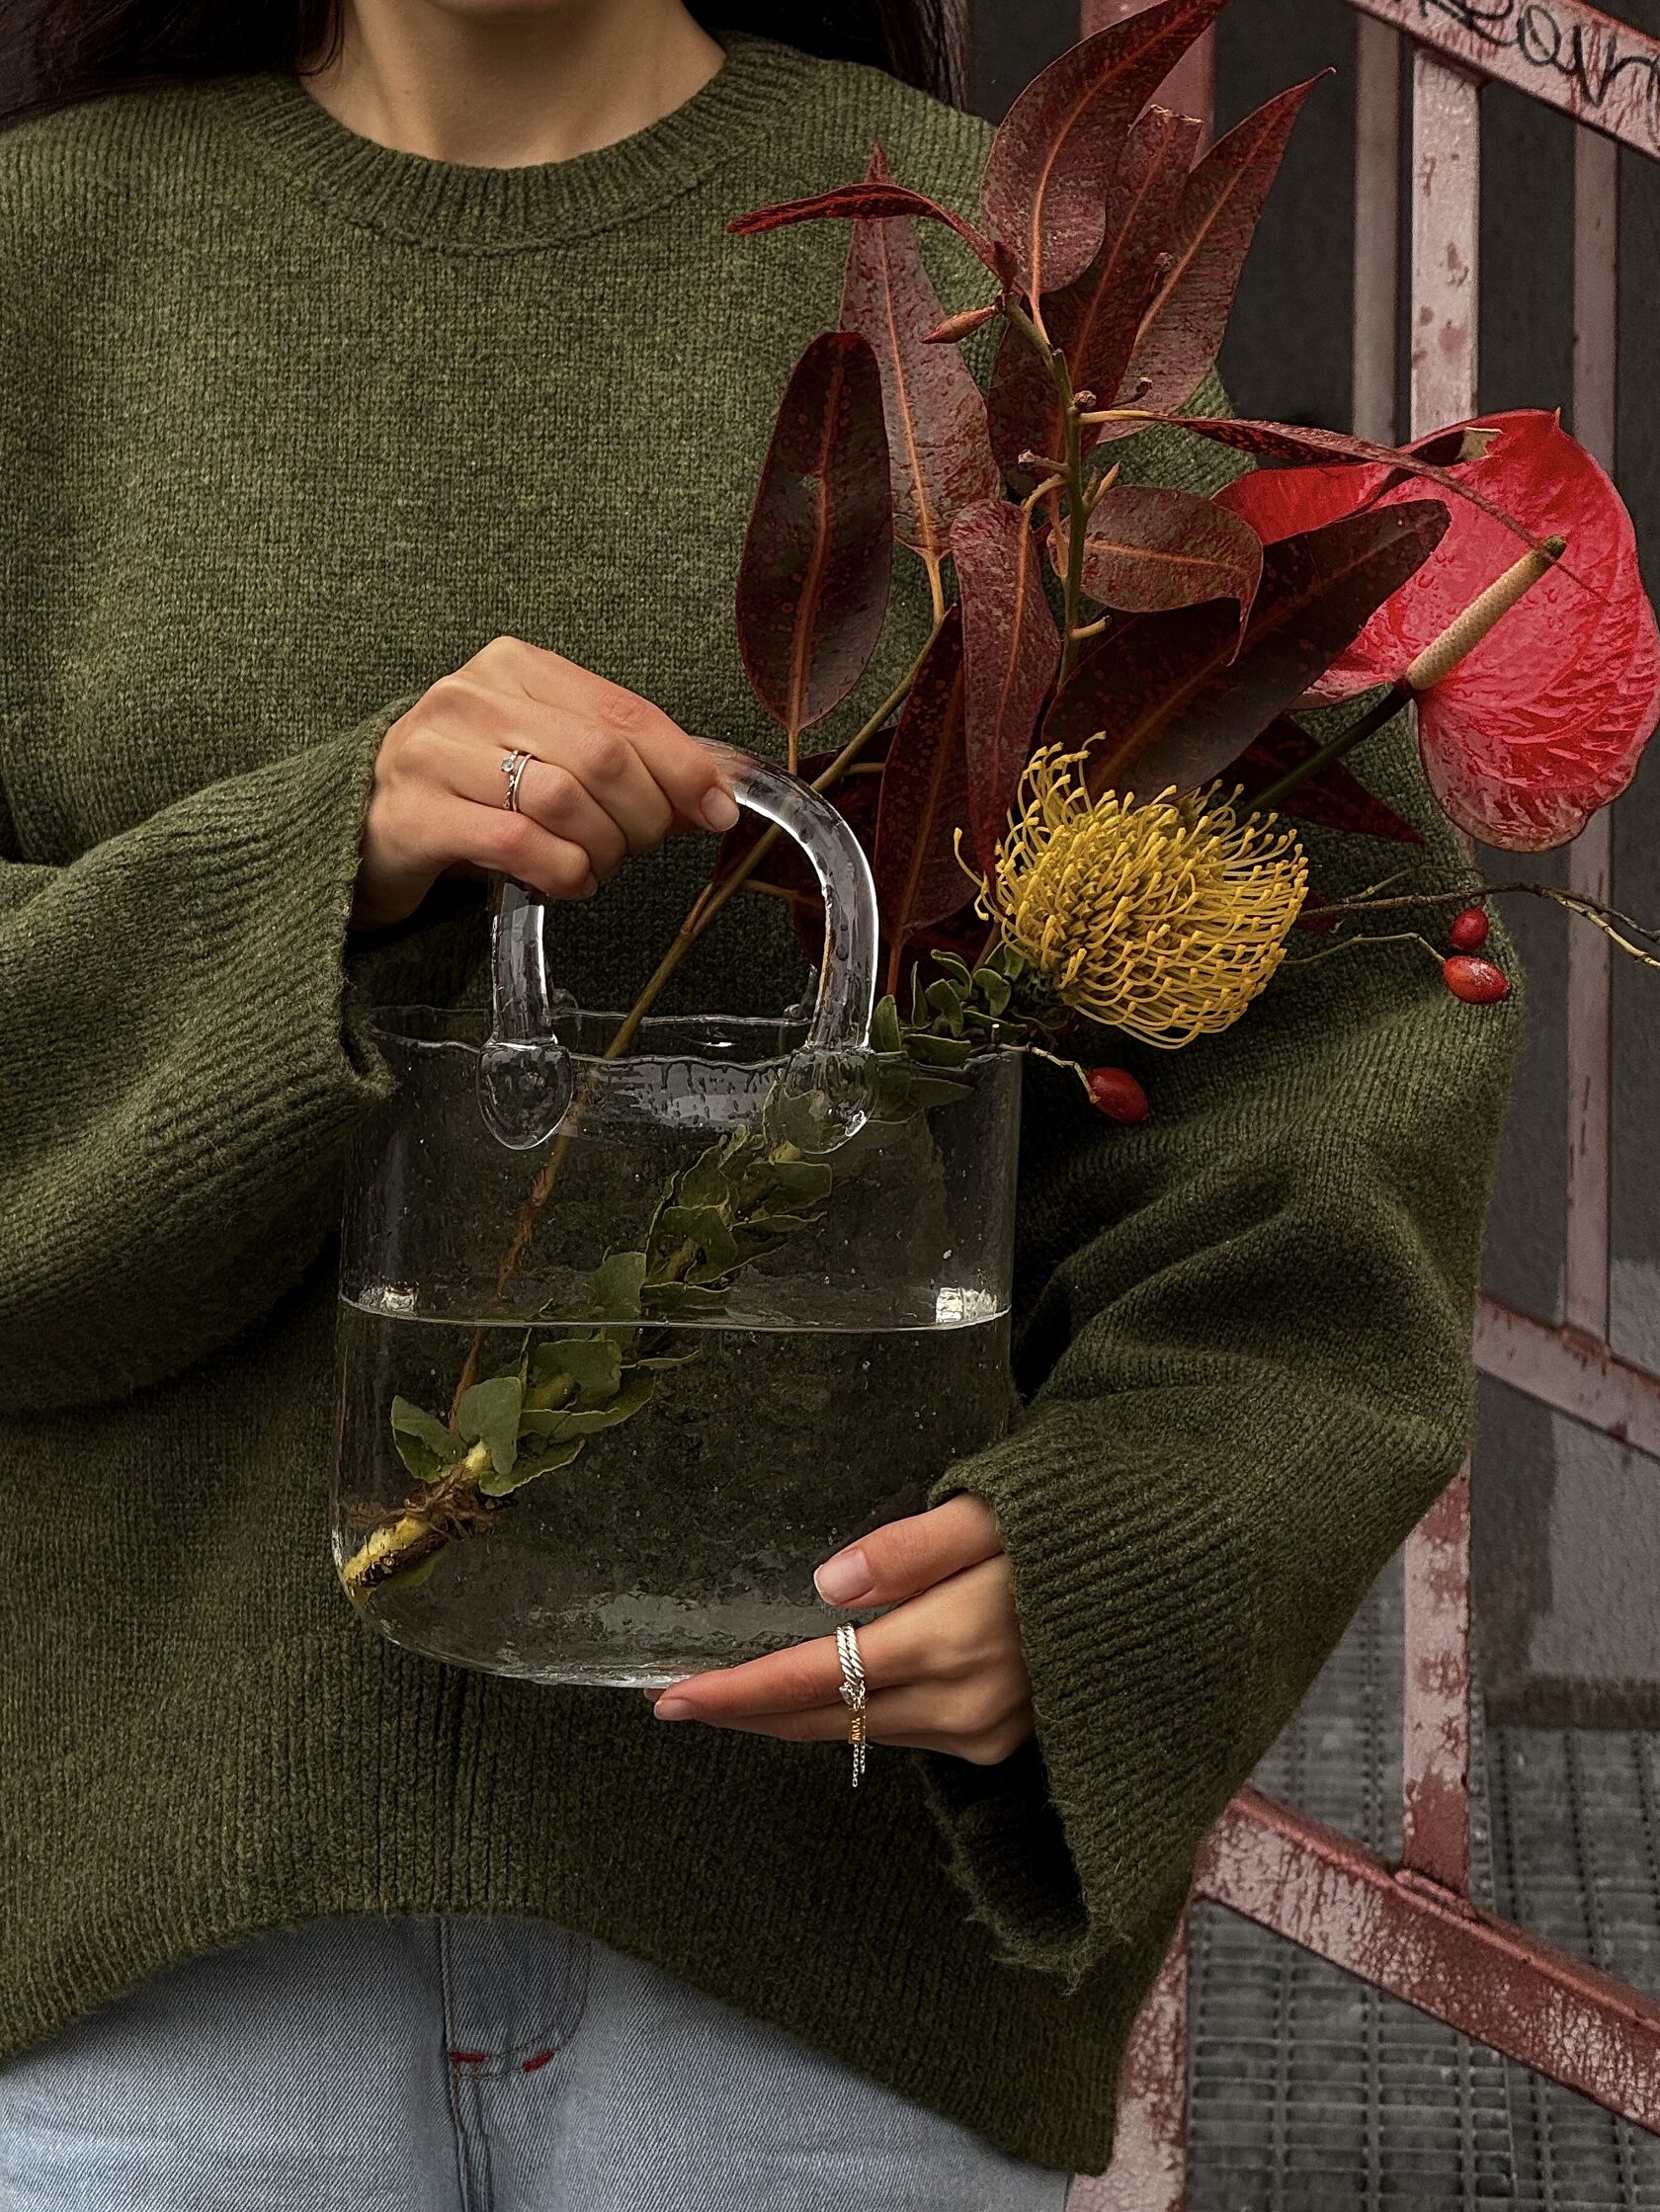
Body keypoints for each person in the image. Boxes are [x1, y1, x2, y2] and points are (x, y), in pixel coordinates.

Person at [0, 1, 1518, 2205]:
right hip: (126, 1929)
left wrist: (1121, 1544)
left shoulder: (997, 290)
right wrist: (312, 867)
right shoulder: (41, 270)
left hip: (821, 1959)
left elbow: (1336, 1047)